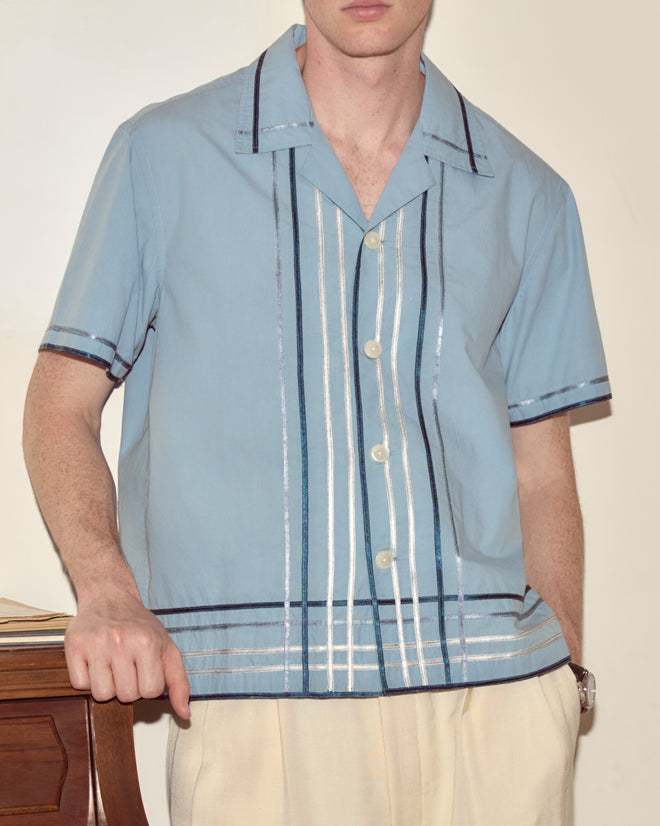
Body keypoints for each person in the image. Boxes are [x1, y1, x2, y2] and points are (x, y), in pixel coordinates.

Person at [23, 2, 610, 824]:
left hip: (499, 713)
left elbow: (542, 468)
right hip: (261, 712)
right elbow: (60, 402)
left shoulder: (528, 193)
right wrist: (107, 589)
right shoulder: (162, 157)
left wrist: (562, 677)